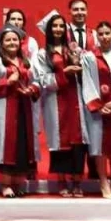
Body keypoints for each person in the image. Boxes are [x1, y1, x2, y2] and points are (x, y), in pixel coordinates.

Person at [0, 26, 42, 197]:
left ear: (20, 42)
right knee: (6, 144)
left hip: (24, 108)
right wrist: (7, 82)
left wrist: (31, 89)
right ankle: (5, 184)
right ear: (1, 44)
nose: (12, 42)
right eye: (8, 40)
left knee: (22, 143)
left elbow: (37, 80)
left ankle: (18, 182)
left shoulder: (26, 62)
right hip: (4, 109)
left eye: (15, 39)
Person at [38, 12, 88, 197]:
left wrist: (81, 66)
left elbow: (89, 71)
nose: (58, 29)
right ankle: (61, 180)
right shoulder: (44, 53)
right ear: (49, 30)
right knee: (60, 141)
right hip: (56, 100)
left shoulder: (74, 49)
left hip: (76, 98)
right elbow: (43, 79)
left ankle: (77, 181)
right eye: (55, 26)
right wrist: (64, 73)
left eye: (61, 26)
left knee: (78, 140)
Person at [81, 21, 111, 200]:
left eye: (107, 33)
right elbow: (87, 82)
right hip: (98, 111)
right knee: (100, 147)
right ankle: (103, 182)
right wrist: (98, 106)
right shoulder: (89, 58)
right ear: (97, 37)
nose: (104, 37)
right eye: (100, 34)